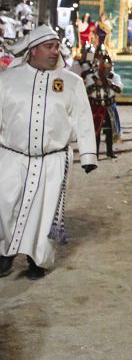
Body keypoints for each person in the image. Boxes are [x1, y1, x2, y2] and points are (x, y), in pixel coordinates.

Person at [0, 26, 97, 280]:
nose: (56, 51)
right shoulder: (7, 80)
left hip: (52, 159)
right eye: (49, 46)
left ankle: (37, 260)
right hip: (11, 156)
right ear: (33, 51)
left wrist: (88, 155)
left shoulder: (71, 83)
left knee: (44, 212)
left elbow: (83, 119)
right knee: (5, 205)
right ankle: (4, 253)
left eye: (57, 47)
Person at [84, 50, 122, 159]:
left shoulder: (115, 77)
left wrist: (111, 84)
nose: (106, 70)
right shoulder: (91, 77)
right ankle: (94, 153)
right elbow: (87, 92)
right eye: (104, 68)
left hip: (109, 106)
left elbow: (119, 89)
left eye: (108, 68)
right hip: (96, 107)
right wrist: (96, 84)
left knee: (110, 130)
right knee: (96, 130)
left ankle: (110, 151)